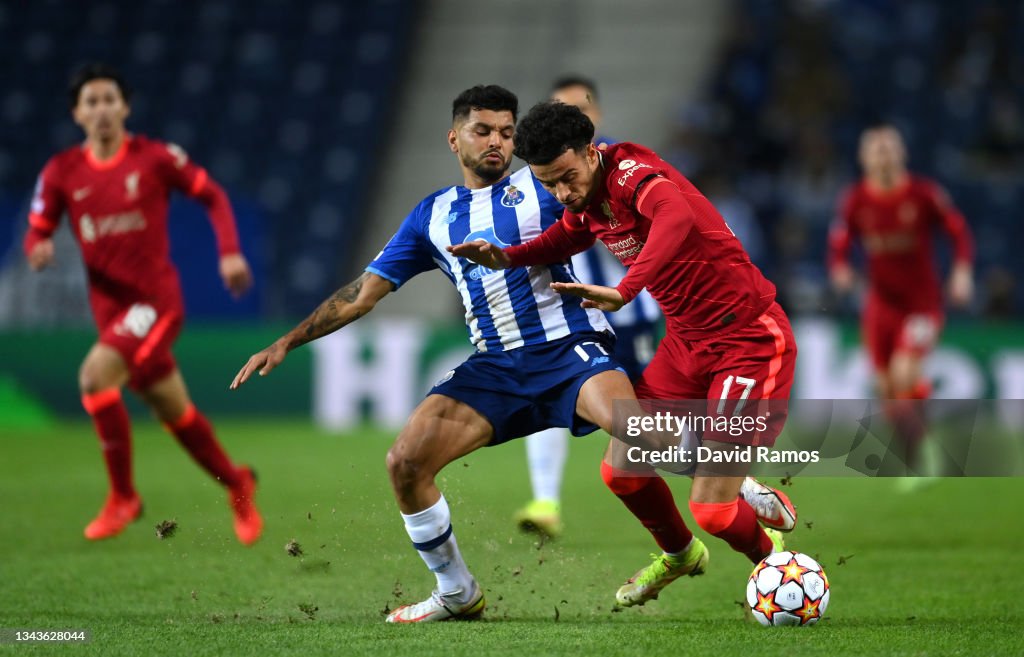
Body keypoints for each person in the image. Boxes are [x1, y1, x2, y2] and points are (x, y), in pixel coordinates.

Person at [231, 85, 657, 623]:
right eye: (484, 131)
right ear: (454, 138)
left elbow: (607, 188)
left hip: (568, 347)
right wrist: (287, 341)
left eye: (506, 131)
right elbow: (364, 292)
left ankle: (743, 486)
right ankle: (457, 591)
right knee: (406, 462)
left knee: (640, 431)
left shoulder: (541, 182)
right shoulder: (432, 216)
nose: (497, 142)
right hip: (495, 367)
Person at [449, 101, 798, 608]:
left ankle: (777, 569)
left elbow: (674, 215)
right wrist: (509, 256)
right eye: (549, 184)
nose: (563, 193)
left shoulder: (634, 174)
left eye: (567, 177)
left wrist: (629, 288)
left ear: (592, 152)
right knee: (622, 472)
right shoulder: (584, 201)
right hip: (685, 344)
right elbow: (564, 235)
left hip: (748, 341)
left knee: (715, 512)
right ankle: (680, 555)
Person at [23, 63, 262, 544]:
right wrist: (38, 248)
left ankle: (123, 497)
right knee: (174, 411)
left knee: (95, 377)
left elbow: (212, 195)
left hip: (154, 301)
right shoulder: (61, 171)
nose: (102, 109)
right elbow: (37, 230)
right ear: (77, 113)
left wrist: (230, 251)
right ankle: (237, 482)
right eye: (91, 101)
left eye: (110, 98)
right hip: (109, 311)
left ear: (125, 106)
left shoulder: (154, 158)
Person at [515, 76, 662, 539]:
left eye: (578, 108)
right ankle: (545, 500)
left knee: (647, 425)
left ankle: (733, 489)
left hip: (628, 311)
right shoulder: (545, 175)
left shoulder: (615, 166)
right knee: (549, 396)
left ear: (593, 117)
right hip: (576, 316)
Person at [828, 123, 974, 474]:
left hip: (922, 304)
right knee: (887, 388)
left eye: (890, 148)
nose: (884, 155)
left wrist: (962, 271)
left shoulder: (924, 195)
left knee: (905, 370)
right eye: (876, 149)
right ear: (863, 158)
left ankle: (925, 452)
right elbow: (839, 245)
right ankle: (916, 451)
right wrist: (841, 269)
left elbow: (959, 233)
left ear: (902, 153)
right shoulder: (857, 200)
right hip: (880, 305)